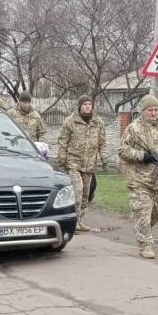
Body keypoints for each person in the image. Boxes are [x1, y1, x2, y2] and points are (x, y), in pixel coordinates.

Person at [118, 94, 158, 259]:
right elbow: (122, 150)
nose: (153, 113)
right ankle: (145, 245)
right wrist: (142, 156)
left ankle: (142, 229)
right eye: (149, 110)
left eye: (155, 110)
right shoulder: (134, 128)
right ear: (143, 111)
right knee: (143, 213)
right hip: (140, 181)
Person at [56, 94, 108, 232]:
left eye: (89, 104)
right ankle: (74, 221)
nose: (87, 106)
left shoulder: (98, 122)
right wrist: (61, 159)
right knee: (77, 191)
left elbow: (102, 143)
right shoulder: (70, 121)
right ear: (80, 106)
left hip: (89, 165)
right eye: (84, 104)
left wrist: (105, 158)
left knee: (86, 194)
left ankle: (80, 220)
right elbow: (63, 141)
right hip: (73, 163)